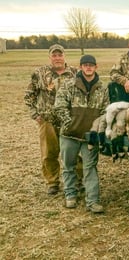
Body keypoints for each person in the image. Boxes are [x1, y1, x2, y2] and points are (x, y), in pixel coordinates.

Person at [24, 44, 83, 195]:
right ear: (50, 57)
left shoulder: (75, 73)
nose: (57, 58)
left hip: (69, 120)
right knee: (49, 153)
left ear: (64, 56)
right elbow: (29, 96)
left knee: (74, 151)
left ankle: (78, 180)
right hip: (47, 120)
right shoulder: (39, 73)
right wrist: (36, 115)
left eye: (60, 55)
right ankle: (52, 182)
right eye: (54, 55)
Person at [54, 54, 109, 213]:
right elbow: (59, 107)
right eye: (85, 64)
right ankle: (70, 195)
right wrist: (69, 124)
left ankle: (92, 201)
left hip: (89, 137)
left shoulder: (102, 88)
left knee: (90, 168)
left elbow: (106, 111)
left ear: (96, 67)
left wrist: (97, 130)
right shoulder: (68, 85)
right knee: (68, 166)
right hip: (69, 135)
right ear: (80, 67)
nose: (88, 67)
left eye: (91, 64)